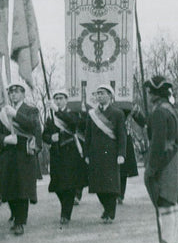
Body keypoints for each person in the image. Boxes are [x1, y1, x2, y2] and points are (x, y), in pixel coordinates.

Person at [143, 75, 178, 243]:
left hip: (164, 160)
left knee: (165, 201)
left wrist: (152, 168)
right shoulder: (172, 109)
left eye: (149, 92)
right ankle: (170, 241)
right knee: (171, 203)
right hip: (175, 158)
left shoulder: (159, 112)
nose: (148, 95)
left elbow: (157, 142)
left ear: (155, 93)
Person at [0, 81, 43, 235]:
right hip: (8, 154)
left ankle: (20, 221)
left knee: (22, 189)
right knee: (10, 189)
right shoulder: (3, 113)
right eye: (11, 92)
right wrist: (4, 139)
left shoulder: (31, 110)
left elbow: (33, 126)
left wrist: (16, 115)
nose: (13, 94)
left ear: (23, 94)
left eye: (17, 91)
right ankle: (15, 215)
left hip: (24, 153)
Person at [43, 90, 88, 225]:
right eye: (56, 98)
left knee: (69, 184)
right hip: (56, 153)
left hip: (70, 152)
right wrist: (50, 138)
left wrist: (57, 111)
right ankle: (65, 208)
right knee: (57, 185)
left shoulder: (72, 112)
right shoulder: (51, 117)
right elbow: (44, 135)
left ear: (66, 100)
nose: (58, 100)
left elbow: (73, 123)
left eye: (61, 98)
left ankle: (65, 213)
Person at [85, 83, 127, 223]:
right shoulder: (91, 114)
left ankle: (110, 212)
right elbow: (88, 135)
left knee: (110, 185)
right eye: (98, 93)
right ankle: (107, 209)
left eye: (102, 93)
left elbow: (122, 135)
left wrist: (121, 153)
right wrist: (86, 153)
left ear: (110, 95)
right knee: (98, 185)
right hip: (95, 153)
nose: (99, 96)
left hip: (111, 153)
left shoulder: (117, 113)